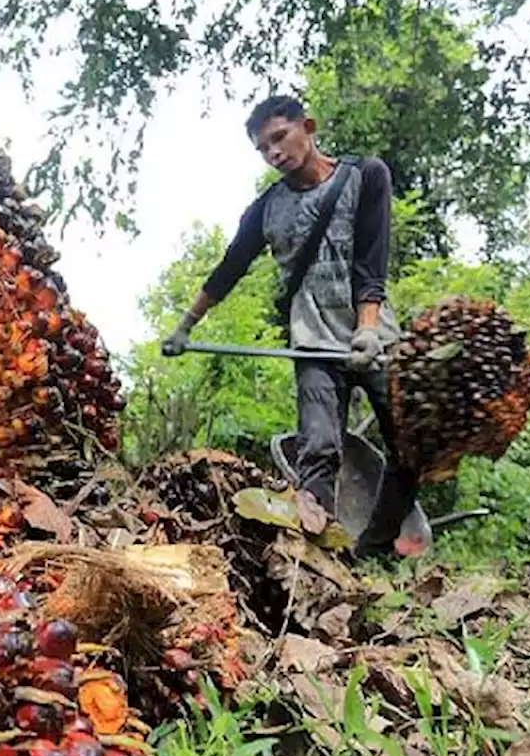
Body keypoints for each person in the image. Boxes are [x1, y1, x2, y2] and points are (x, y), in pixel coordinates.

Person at [160, 94, 417, 558]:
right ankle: (319, 551)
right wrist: (185, 326)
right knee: (318, 446)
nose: (274, 153)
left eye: (280, 138)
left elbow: (371, 262)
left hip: (376, 338)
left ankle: (372, 548)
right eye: (263, 148)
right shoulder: (266, 209)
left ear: (309, 127)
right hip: (314, 344)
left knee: (410, 446)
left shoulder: (366, 175)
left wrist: (367, 328)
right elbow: (228, 268)